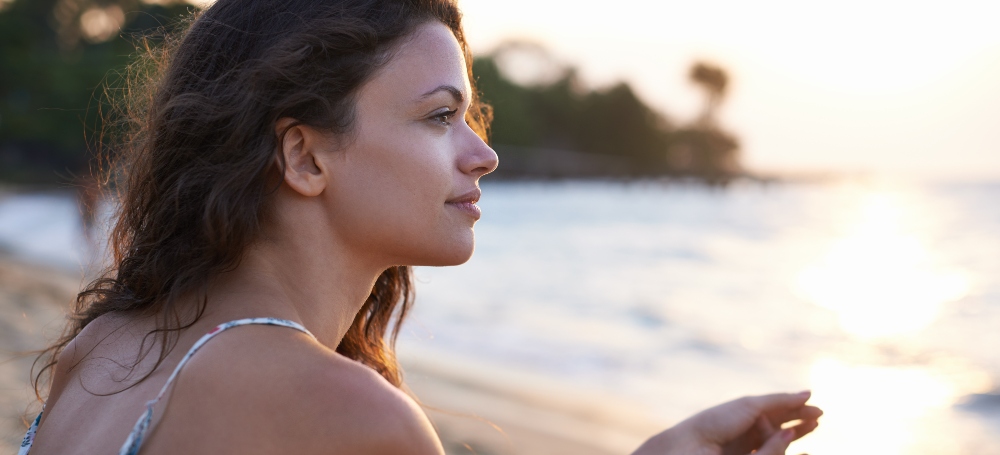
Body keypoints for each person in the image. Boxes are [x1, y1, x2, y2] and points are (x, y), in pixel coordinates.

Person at [21, 0, 822, 454]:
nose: (485, 155)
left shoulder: (110, 347)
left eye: (471, 115)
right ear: (303, 156)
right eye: (441, 116)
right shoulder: (344, 414)